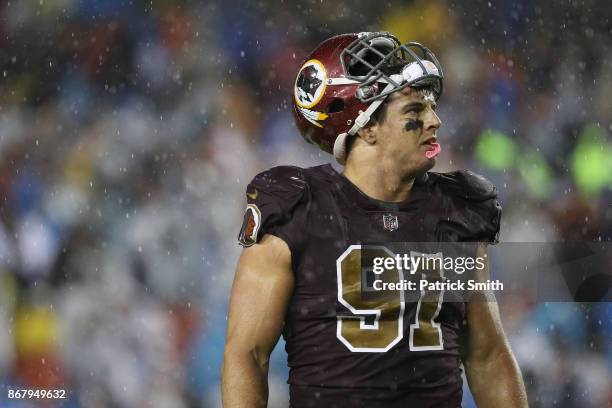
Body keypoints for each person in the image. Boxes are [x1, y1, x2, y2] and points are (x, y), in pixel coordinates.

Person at [222, 32, 527, 407]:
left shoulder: (456, 212)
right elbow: (248, 354)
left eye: (431, 107)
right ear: (365, 126)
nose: (435, 121)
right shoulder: (297, 210)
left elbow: (487, 356)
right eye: (414, 111)